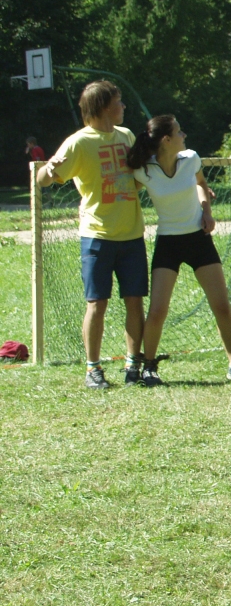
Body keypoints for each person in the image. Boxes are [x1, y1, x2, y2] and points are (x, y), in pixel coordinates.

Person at [126, 115, 231, 385]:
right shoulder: (143, 170)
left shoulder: (191, 158)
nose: (184, 135)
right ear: (166, 139)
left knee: (221, 304)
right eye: (179, 131)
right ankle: (149, 367)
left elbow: (200, 184)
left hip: (198, 238)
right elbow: (123, 191)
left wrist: (206, 210)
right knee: (158, 310)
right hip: (168, 244)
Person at [35, 81, 147, 389]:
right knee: (97, 303)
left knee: (134, 301)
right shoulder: (78, 142)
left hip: (132, 235)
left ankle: (132, 364)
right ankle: (93, 369)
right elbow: (44, 180)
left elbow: (137, 181)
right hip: (97, 236)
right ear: (103, 107)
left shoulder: (127, 136)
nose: (123, 107)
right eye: (119, 102)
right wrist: (48, 168)